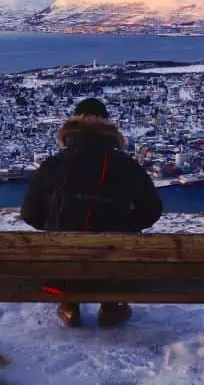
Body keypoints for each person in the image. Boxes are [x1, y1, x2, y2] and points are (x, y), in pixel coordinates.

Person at [21, 97, 163, 328]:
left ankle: (69, 304)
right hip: (113, 267)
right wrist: (126, 225)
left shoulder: (54, 164)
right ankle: (111, 306)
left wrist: (55, 228)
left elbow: (29, 212)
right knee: (111, 253)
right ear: (108, 127)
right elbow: (152, 209)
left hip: (62, 269)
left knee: (67, 248)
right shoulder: (125, 165)